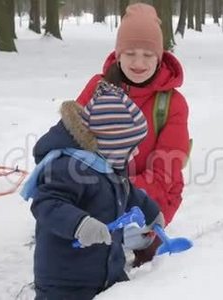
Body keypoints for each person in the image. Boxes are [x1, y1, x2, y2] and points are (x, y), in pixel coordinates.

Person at [23, 81, 165, 299]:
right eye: (130, 146)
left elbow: (127, 192)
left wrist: (151, 212)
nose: (136, 152)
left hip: (109, 272)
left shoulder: (110, 166)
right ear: (111, 144)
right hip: (66, 281)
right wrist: (79, 223)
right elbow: (47, 203)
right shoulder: (68, 167)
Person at [75, 3, 190, 266]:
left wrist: (115, 199)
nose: (139, 63)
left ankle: (144, 248)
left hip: (151, 198)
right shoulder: (97, 88)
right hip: (99, 195)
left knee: (147, 267)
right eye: (130, 53)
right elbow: (72, 143)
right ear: (118, 55)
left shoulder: (172, 104)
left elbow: (165, 174)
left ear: (160, 57)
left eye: (148, 55)